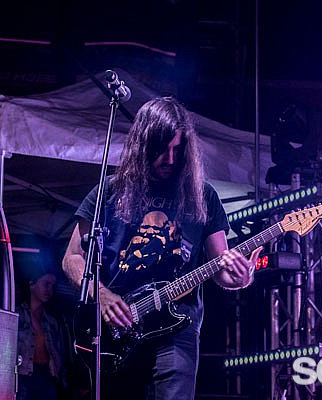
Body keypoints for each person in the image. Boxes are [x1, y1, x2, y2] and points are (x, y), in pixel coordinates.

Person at [62, 96, 261, 399]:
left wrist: (240, 277)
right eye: (160, 149)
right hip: (118, 324)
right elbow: (72, 258)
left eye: (177, 149)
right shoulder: (110, 190)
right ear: (142, 145)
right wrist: (101, 295)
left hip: (177, 325)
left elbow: (221, 266)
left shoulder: (202, 196)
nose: (169, 159)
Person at [17, 267, 68, 400]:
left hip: (47, 375)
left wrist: (61, 380)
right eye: (46, 284)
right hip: (23, 375)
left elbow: (60, 352)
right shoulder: (17, 315)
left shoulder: (51, 321)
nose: (50, 290)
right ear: (32, 284)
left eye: (52, 286)